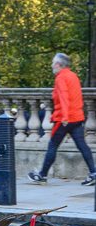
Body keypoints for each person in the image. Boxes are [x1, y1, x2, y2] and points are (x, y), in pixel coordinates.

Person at [28, 53, 96, 186]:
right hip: (77, 117)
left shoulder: (61, 78)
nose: (52, 65)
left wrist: (64, 117)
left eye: (53, 63)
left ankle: (42, 175)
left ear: (58, 65)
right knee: (82, 145)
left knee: (52, 145)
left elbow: (64, 97)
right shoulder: (73, 76)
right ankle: (93, 172)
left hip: (64, 119)